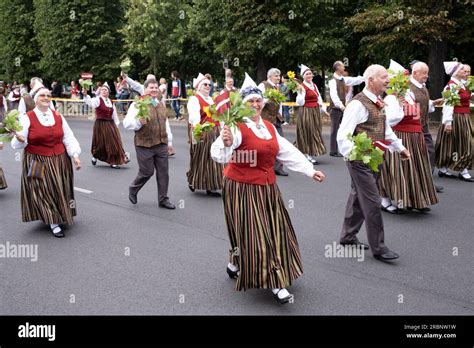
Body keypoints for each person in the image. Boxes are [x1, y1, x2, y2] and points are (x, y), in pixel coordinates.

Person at [210, 73, 325, 304]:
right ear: (242, 104)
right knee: (256, 234)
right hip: (241, 187)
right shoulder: (236, 127)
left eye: (258, 101)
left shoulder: (270, 128)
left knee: (275, 230)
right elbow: (219, 155)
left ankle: (235, 263)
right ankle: (275, 281)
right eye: (250, 101)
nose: (255, 104)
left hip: (268, 188)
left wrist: (309, 170)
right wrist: (225, 142)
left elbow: (287, 153)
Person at [336, 64, 410, 261]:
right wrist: (354, 155)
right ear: (370, 80)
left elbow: (385, 130)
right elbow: (342, 135)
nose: (388, 80)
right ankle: (379, 247)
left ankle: (347, 236)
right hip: (359, 160)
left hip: (375, 158)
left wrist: (399, 147)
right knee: (373, 201)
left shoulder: (378, 102)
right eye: (383, 77)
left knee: (357, 196)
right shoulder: (357, 104)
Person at [11, 87, 82, 237]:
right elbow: (17, 144)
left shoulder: (58, 116)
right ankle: (53, 221)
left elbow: (68, 137)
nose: (46, 97)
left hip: (60, 159)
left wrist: (75, 155)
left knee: (60, 188)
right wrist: (20, 140)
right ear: (36, 100)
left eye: (48, 95)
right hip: (37, 159)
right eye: (42, 95)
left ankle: (61, 213)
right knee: (41, 189)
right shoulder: (27, 117)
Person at [378, 60, 438, 213]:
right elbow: (391, 120)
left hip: (414, 137)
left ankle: (414, 200)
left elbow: (417, 113)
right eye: (404, 79)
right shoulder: (391, 98)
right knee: (397, 169)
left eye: (406, 78)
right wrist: (399, 104)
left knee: (415, 169)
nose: (407, 81)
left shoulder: (409, 95)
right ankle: (386, 201)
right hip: (400, 136)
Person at [123, 79, 176, 209]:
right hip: (144, 144)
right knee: (147, 172)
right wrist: (139, 123)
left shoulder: (160, 103)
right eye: (151, 87)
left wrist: (169, 141)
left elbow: (165, 123)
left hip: (161, 143)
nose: (153, 90)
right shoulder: (137, 105)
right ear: (145, 89)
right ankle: (133, 189)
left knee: (163, 172)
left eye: (155, 87)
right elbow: (126, 123)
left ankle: (163, 199)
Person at [408, 61, 445, 193]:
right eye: (424, 73)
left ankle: (427, 182)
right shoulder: (407, 87)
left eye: (427, 73)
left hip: (423, 125)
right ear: (415, 73)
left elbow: (422, 102)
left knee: (429, 151)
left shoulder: (422, 86)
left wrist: (432, 103)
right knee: (416, 155)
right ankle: (417, 184)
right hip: (411, 127)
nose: (426, 76)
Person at [435, 62, 473, 182]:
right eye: (462, 70)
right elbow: (448, 104)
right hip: (456, 117)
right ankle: (463, 169)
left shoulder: (462, 84)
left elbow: (468, 98)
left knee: (452, 142)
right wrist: (448, 122)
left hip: (464, 116)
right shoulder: (451, 86)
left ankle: (444, 169)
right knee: (466, 143)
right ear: (456, 72)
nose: (465, 71)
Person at [186, 73, 223, 196]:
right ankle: (193, 179)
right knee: (200, 159)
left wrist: (223, 130)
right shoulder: (195, 99)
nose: (208, 86)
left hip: (215, 132)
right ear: (199, 87)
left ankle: (211, 185)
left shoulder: (212, 100)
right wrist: (197, 133)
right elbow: (194, 117)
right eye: (205, 84)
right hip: (204, 132)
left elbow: (219, 117)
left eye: (209, 85)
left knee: (214, 160)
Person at [83, 83, 129, 169]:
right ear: (100, 91)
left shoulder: (111, 101)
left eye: (106, 90)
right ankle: (95, 156)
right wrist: (85, 95)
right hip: (100, 124)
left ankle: (113, 161)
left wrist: (116, 124)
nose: (104, 91)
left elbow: (114, 114)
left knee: (113, 142)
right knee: (99, 143)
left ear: (108, 92)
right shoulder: (98, 100)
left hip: (110, 123)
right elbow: (90, 103)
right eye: (102, 90)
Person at [328, 60, 365, 157]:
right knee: (335, 129)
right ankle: (333, 151)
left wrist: (366, 77)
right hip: (336, 109)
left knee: (348, 127)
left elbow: (355, 80)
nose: (344, 67)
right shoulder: (332, 81)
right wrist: (341, 106)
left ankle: (350, 147)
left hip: (342, 108)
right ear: (337, 68)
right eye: (342, 66)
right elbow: (334, 96)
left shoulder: (343, 79)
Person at [296, 64, 329, 165]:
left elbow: (319, 99)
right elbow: (300, 102)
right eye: (307, 74)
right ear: (303, 76)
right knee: (308, 131)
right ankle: (308, 154)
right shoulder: (301, 86)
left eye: (310, 74)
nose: (309, 75)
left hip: (315, 111)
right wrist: (301, 92)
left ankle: (311, 152)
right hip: (306, 111)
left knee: (316, 131)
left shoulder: (314, 85)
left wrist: (324, 110)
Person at [258, 68, 288, 176]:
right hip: (265, 118)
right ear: (269, 76)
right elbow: (258, 100)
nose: (278, 78)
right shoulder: (263, 85)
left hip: (275, 118)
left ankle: (278, 167)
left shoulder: (277, 87)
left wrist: (281, 117)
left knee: (280, 142)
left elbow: (279, 104)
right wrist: (267, 98)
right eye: (276, 76)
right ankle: (264, 166)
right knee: (265, 143)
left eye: (279, 76)